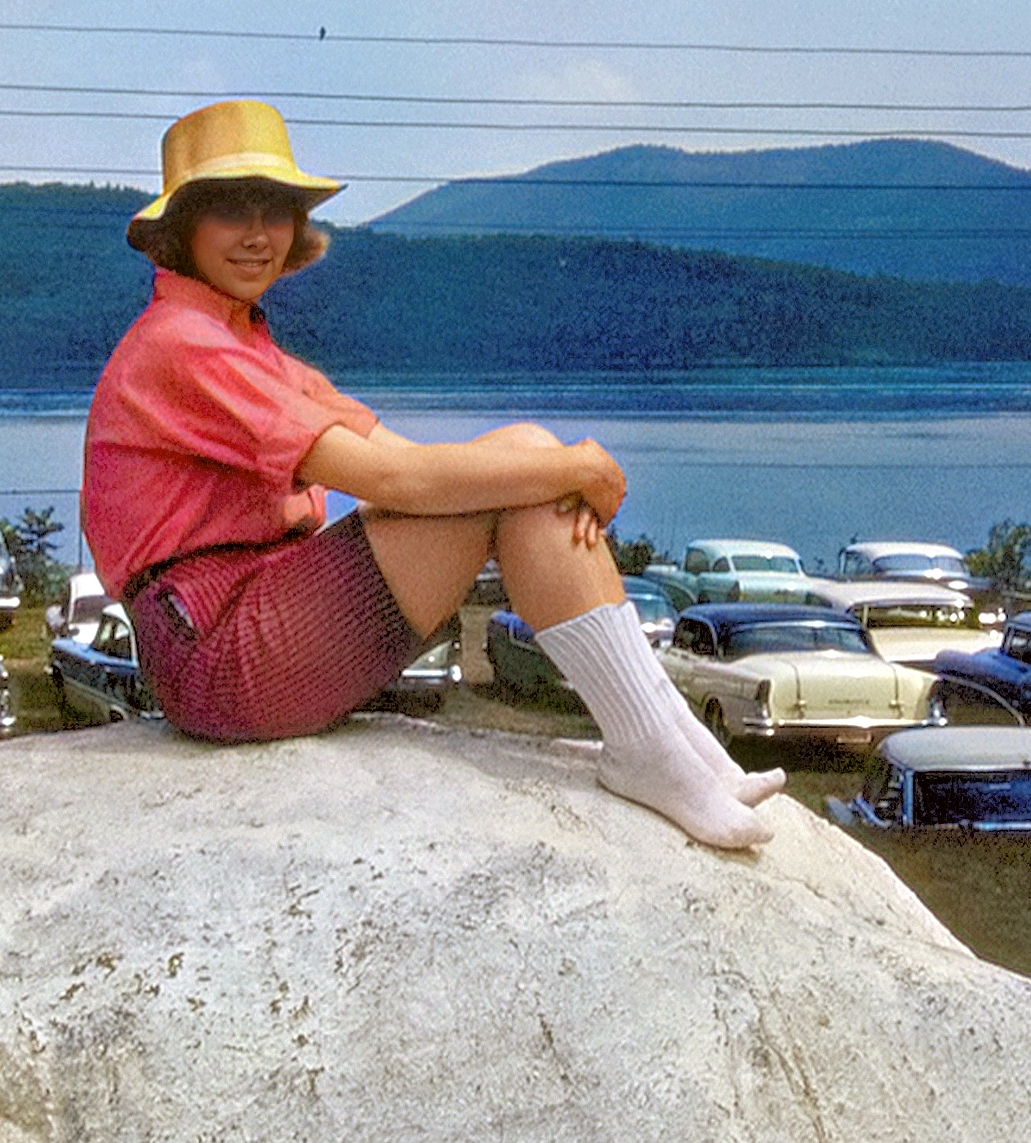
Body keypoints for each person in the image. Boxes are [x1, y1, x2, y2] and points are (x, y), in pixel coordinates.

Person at [81, 99, 784, 851]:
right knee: (528, 471)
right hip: (217, 650)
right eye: (227, 210)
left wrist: (547, 465)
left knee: (521, 453)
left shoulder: (247, 347)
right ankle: (652, 750)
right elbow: (398, 482)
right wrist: (573, 467)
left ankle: (671, 744)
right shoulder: (183, 346)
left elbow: (405, 458)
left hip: (256, 612)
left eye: (275, 209)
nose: (258, 234)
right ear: (180, 230)